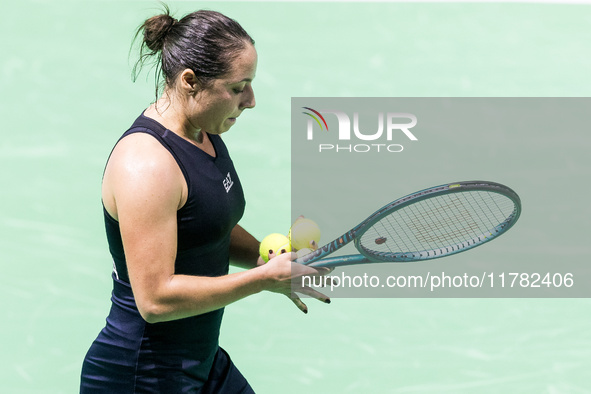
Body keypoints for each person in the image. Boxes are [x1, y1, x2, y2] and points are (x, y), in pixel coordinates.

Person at [80, 7, 330, 393]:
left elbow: (208, 227)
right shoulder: (146, 166)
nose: (250, 100)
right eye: (237, 87)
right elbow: (155, 299)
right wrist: (261, 280)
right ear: (190, 81)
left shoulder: (203, 134)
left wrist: (271, 259)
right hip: (143, 375)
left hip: (201, 363)